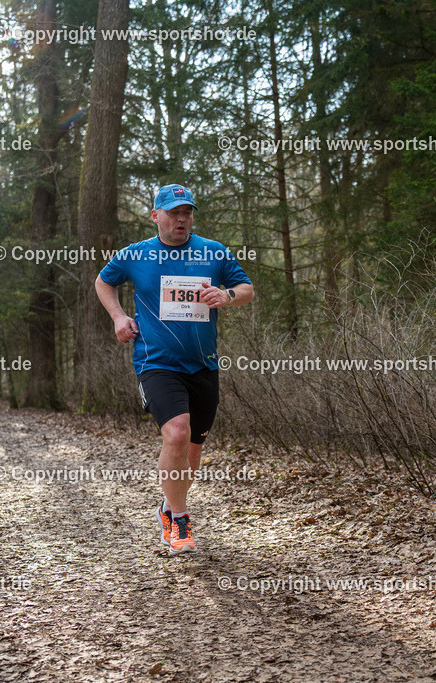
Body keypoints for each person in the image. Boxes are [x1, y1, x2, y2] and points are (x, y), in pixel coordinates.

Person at [95, 184, 255, 553]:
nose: (181, 219)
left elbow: (246, 288)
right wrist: (118, 317)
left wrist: (227, 296)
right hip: (156, 362)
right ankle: (181, 523)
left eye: (187, 213)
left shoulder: (213, 251)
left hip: (203, 364)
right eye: (173, 212)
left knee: (193, 449)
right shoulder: (135, 255)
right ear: (156, 216)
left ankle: (168, 507)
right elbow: (103, 281)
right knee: (177, 434)